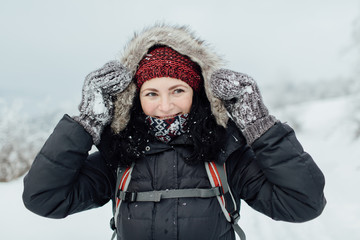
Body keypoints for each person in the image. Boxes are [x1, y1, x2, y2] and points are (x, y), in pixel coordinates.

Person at [22, 24, 326, 240]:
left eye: (177, 90)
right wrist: (88, 120)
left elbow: (303, 203)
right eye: (151, 93)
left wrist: (259, 125)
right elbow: (44, 198)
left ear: (196, 92)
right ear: (136, 98)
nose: (165, 106)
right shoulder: (120, 157)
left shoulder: (225, 153)